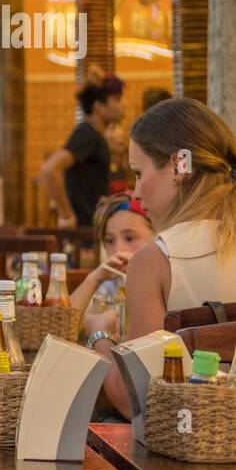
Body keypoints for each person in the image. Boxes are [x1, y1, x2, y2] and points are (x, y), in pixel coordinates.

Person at [83, 98, 236, 417]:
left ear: (180, 167)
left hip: (191, 446)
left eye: (139, 173)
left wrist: (98, 336)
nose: (136, 193)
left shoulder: (156, 259)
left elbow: (136, 400)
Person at [39, 73, 125, 227]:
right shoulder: (87, 133)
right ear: (99, 107)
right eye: (116, 100)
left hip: (91, 227)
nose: (121, 106)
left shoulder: (93, 135)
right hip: (84, 231)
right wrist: (66, 216)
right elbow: (49, 169)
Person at [67, 193, 154, 317]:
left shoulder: (166, 281)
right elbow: (63, 325)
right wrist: (94, 279)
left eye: (129, 238)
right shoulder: (110, 284)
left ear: (155, 235)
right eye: (109, 241)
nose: (118, 250)